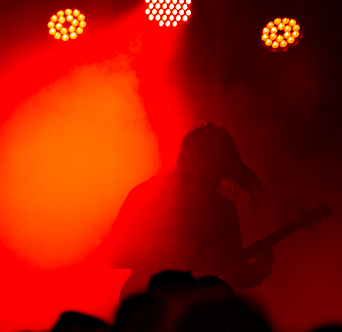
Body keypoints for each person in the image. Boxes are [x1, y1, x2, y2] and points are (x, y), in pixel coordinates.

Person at [98, 122, 273, 300]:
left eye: (211, 178)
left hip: (196, 309)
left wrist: (257, 273)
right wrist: (161, 250)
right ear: (186, 163)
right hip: (152, 306)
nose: (199, 185)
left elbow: (229, 271)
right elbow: (113, 256)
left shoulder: (222, 210)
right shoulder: (145, 196)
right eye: (197, 175)